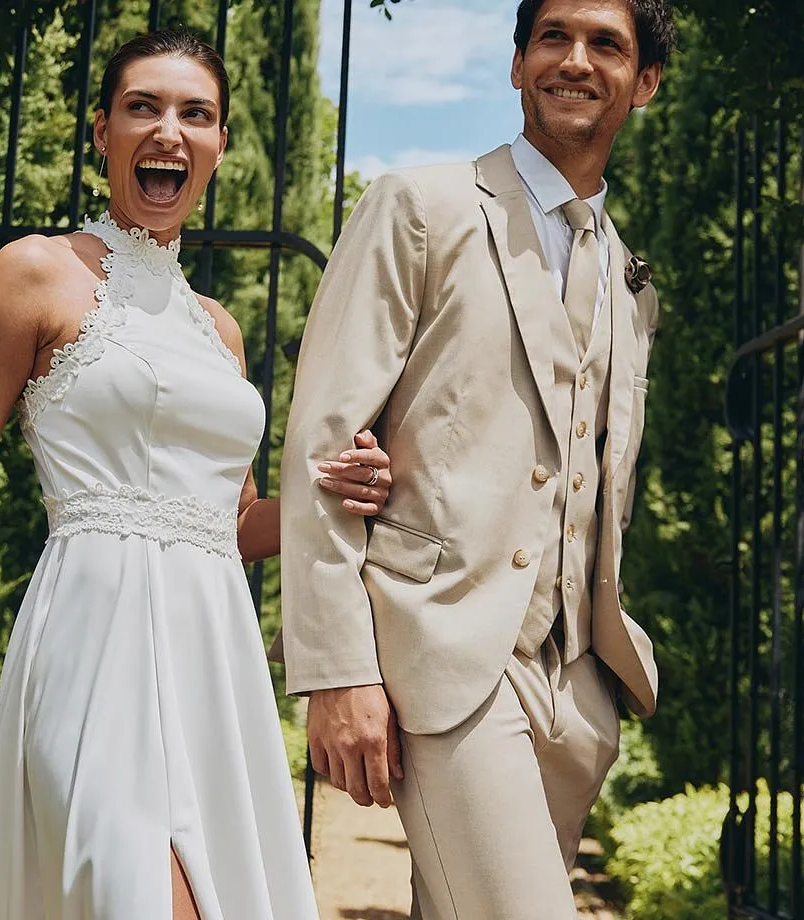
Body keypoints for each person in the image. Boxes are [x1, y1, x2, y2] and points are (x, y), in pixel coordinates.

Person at [0, 29, 387, 920]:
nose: (170, 131)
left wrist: (333, 498)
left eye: (195, 114)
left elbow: (233, 522)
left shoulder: (220, 329)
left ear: (219, 145)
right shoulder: (35, 272)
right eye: (144, 107)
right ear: (102, 132)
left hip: (215, 659)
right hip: (92, 647)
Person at [279, 0, 674, 916]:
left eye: (605, 44)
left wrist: (593, 685)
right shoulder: (421, 206)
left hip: (573, 688)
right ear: (516, 64)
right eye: (552, 37)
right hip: (442, 656)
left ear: (645, 83)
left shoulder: (625, 271)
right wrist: (338, 669)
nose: (573, 60)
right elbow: (324, 445)